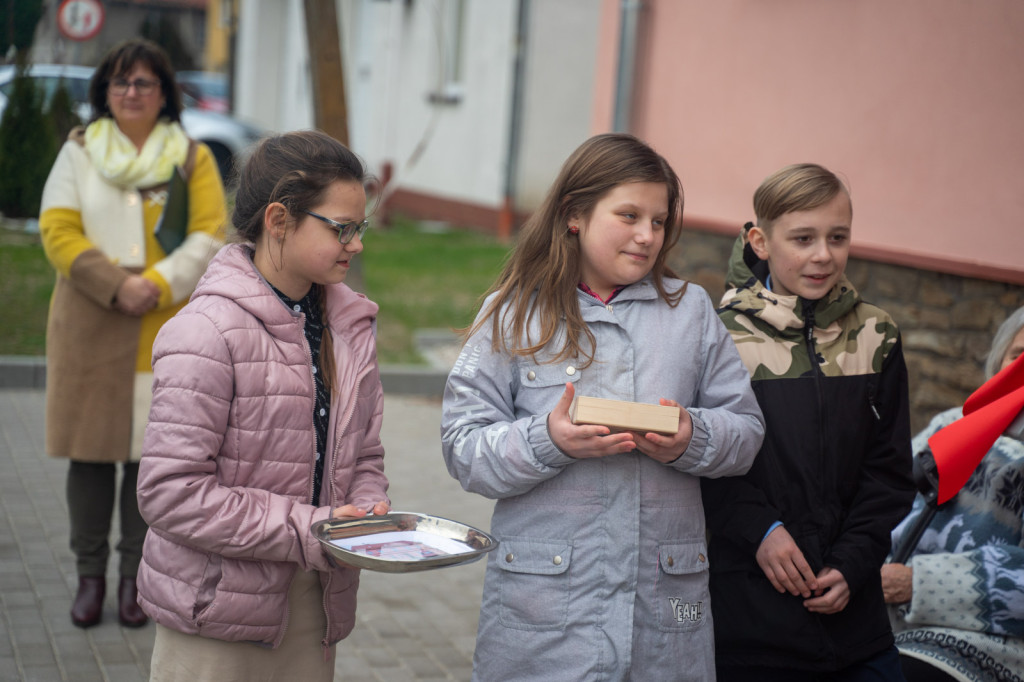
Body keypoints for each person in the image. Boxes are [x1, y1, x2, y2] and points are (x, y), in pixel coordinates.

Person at [440, 133, 765, 680]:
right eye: (629, 215)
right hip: (542, 615)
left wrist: (693, 437)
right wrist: (548, 439)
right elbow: (463, 446)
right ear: (574, 215)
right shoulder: (513, 314)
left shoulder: (689, 312)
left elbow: (747, 432)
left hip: (669, 610)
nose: (647, 236)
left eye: (659, 221)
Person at [133, 130, 389, 681]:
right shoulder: (205, 332)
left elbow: (364, 451)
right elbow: (169, 494)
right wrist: (312, 528)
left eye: (360, 227)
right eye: (341, 228)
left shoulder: (350, 325)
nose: (357, 243)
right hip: (214, 619)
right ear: (278, 220)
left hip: (315, 605)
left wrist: (366, 507)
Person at [38, 39, 227, 629]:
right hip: (90, 323)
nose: (131, 93)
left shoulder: (191, 158)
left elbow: (210, 233)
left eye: (145, 82)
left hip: (164, 327)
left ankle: (134, 583)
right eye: (120, 83)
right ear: (104, 92)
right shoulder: (79, 152)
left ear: (165, 93)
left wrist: (155, 282)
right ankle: (89, 579)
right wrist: (115, 284)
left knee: (152, 462)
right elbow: (58, 227)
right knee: (91, 459)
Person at [705, 163, 916, 680]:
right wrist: (761, 531)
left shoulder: (878, 335)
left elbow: (888, 472)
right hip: (751, 621)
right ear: (760, 241)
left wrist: (852, 563)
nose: (823, 254)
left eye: (837, 237)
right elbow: (702, 462)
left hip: (856, 621)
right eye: (803, 238)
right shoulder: (719, 337)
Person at [883, 307, 1024, 682]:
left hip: (986, 643)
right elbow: (888, 494)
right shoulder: (952, 424)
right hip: (882, 616)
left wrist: (917, 583)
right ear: (999, 362)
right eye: (1018, 355)